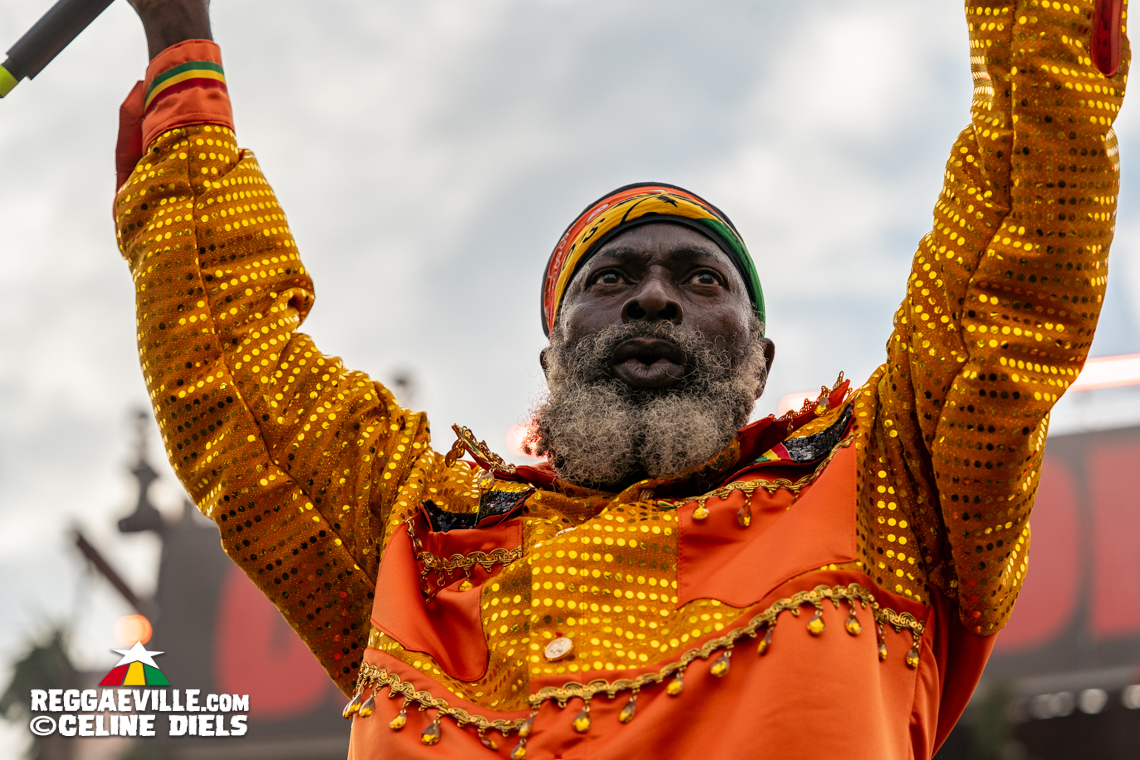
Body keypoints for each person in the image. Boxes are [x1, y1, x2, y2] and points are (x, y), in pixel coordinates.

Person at [114, 1, 1129, 758]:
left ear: (761, 359)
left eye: (699, 278)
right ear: (550, 362)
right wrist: (179, 44)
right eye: (611, 278)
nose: (654, 299)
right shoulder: (417, 544)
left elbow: (1020, 240)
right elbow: (228, 363)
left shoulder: (888, 487)